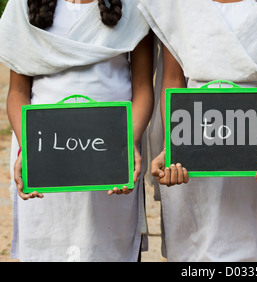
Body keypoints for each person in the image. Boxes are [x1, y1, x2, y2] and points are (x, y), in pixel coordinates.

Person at [138, 0, 257, 261]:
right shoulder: (177, 5)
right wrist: (175, 145)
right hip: (193, 141)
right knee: (194, 255)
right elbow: (173, 79)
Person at [0, 0, 154, 261]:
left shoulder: (134, 6)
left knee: (108, 247)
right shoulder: (23, 5)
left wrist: (129, 142)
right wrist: (29, 149)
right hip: (45, 153)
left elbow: (142, 88)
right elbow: (17, 92)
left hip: (110, 151)